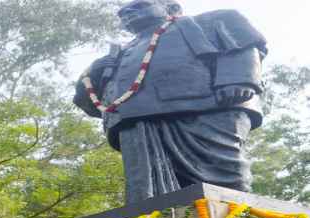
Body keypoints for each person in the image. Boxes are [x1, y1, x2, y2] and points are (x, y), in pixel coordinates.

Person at [73, 0, 266, 203]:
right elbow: (91, 102)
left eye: (139, 6)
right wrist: (95, 73)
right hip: (135, 120)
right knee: (145, 189)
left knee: (223, 171)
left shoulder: (207, 21)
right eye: (123, 13)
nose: (128, 14)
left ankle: (236, 215)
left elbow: (245, 44)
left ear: (170, 7)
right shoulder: (118, 54)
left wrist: (238, 78)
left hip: (204, 105)